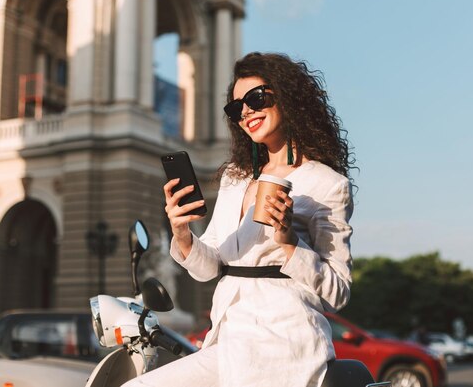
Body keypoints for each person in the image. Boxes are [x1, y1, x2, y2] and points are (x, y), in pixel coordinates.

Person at [124, 52, 355, 387]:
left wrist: (290, 241)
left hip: (283, 345)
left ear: (288, 98)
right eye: (236, 107)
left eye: (256, 98)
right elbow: (211, 268)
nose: (246, 111)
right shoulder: (235, 178)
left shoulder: (326, 184)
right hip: (227, 339)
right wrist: (182, 232)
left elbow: (338, 292)